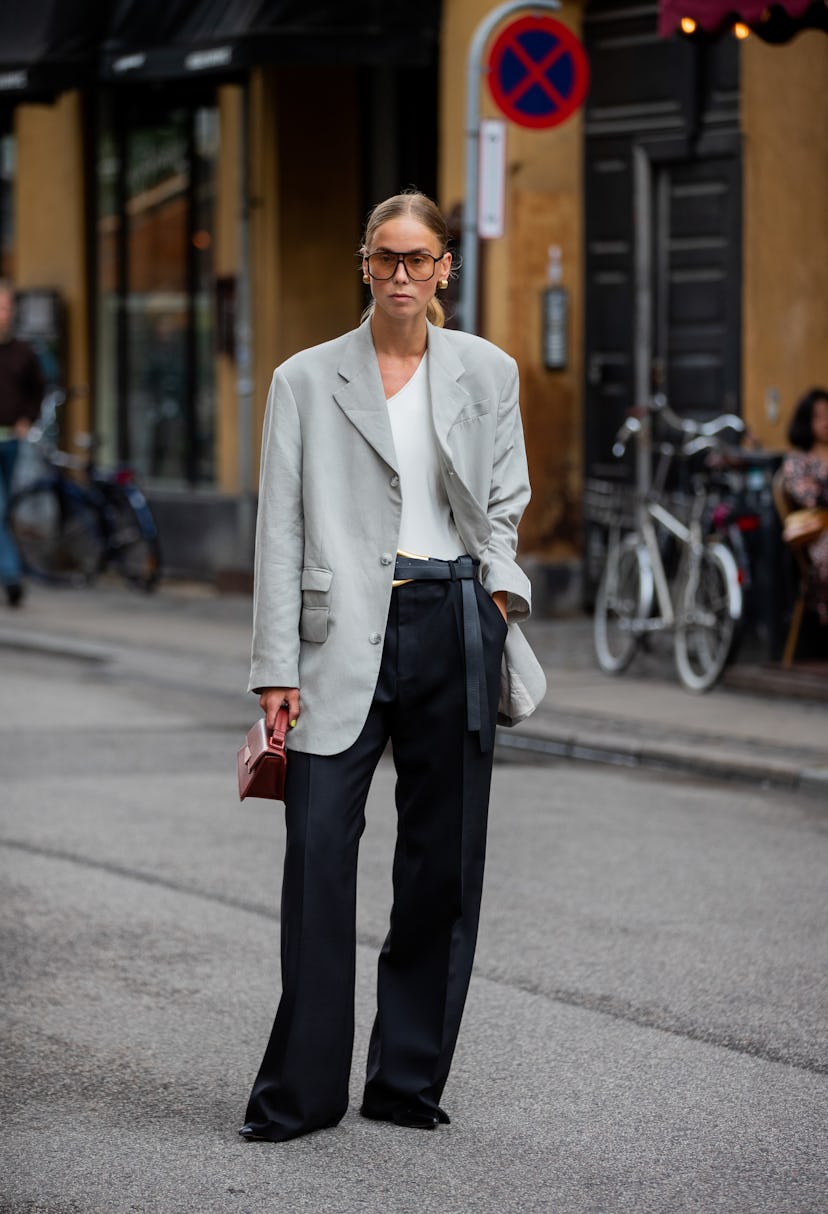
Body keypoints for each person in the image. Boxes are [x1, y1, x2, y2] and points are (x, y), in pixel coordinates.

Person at [239, 191, 546, 1144]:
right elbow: (280, 530)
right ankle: (302, 1095)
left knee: (442, 869)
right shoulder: (304, 378)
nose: (402, 275)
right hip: (338, 642)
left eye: (418, 260)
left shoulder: (487, 372)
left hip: (454, 619)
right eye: (385, 259)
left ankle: (406, 1079)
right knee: (318, 859)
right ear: (363, 264)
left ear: (445, 268)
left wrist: (494, 602)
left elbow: (506, 500)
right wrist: (274, 666)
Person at [0, 280, 45, 607]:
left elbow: (38, 390)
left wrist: (26, 419)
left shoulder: (22, 351)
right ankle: (12, 575)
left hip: (10, 442)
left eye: (6, 307)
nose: (2, 314)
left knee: (5, 506)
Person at [781, 386, 828, 627]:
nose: (826, 421)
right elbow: (810, 498)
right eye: (819, 416)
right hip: (818, 533)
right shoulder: (798, 461)